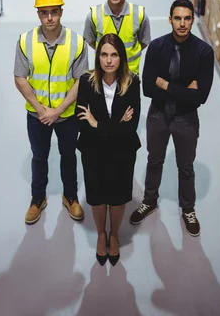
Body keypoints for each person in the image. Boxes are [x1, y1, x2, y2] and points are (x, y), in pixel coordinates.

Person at [130, 0, 214, 236]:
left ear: (192, 20)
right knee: (154, 160)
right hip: (158, 115)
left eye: (187, 18)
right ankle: (149, 200)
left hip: (186, 118)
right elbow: (147, 88)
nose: (182, 23)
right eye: (178, 18)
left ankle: (188, 209)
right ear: (170, 20)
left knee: (185, 166)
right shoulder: (156, 47)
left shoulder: (204, 52)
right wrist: (185, 90)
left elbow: (201, 97)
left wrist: (166, 85)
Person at [14, 0, 88, 225]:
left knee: (68, 155)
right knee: (39, 156)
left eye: (54, 12)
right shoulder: (25, 41)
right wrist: (40, 108)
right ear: (38, 14)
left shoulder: (76, 42)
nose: (49, 18)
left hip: (66, 114)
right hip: (37, 115)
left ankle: (70, 197)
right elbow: (20, 77)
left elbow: (81, 81)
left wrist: (57, 111)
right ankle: (38, 198)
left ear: (61, 12)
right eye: (44, 12)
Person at [76, 33, 141, 265]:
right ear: (98, 57)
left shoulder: (133, 83)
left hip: (122, 152)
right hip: (93, 151)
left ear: (121, 58)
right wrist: (114, 126)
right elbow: (82, 122)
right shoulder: (86, 81)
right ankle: (101, 234)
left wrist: (98, 124)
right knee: (96, 196)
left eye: (114, 55)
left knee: (117, 197)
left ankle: (114, 235)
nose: (109, 60)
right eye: (104, 54)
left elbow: (131, 126)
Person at [83, 0, 151, 74]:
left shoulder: (139, 14)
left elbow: (144, 41)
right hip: (104, 73)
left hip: (130, 73)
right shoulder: (94, 15)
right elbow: (90, 40)